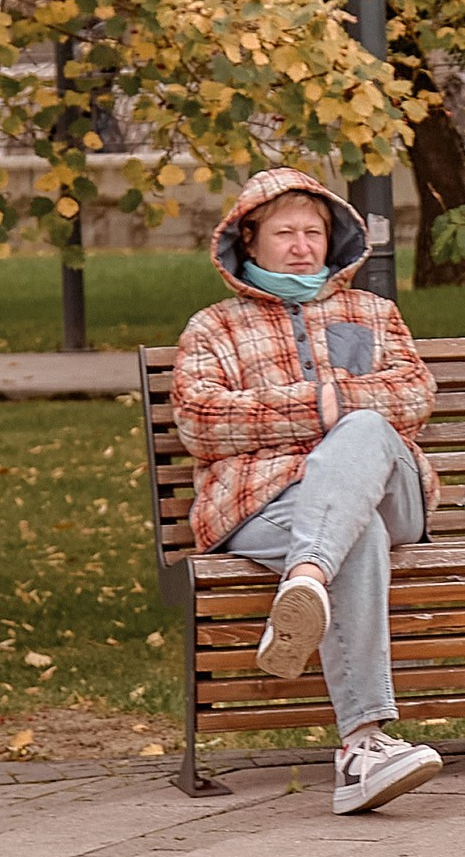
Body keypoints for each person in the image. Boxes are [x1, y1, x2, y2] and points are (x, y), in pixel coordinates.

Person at [172, 168, 449, 810]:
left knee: (366, 428)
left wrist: (332, 411)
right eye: (284, 233)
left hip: (390, 489)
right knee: (358, 533)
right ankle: (363, 750)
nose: (302, 246)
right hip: (267, 506)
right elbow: (201, 420)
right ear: (249, 241)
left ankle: (306, 576)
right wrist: (326, 406)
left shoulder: (373, 314)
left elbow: (413, 396)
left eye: (314, 232)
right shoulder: (213, 328)